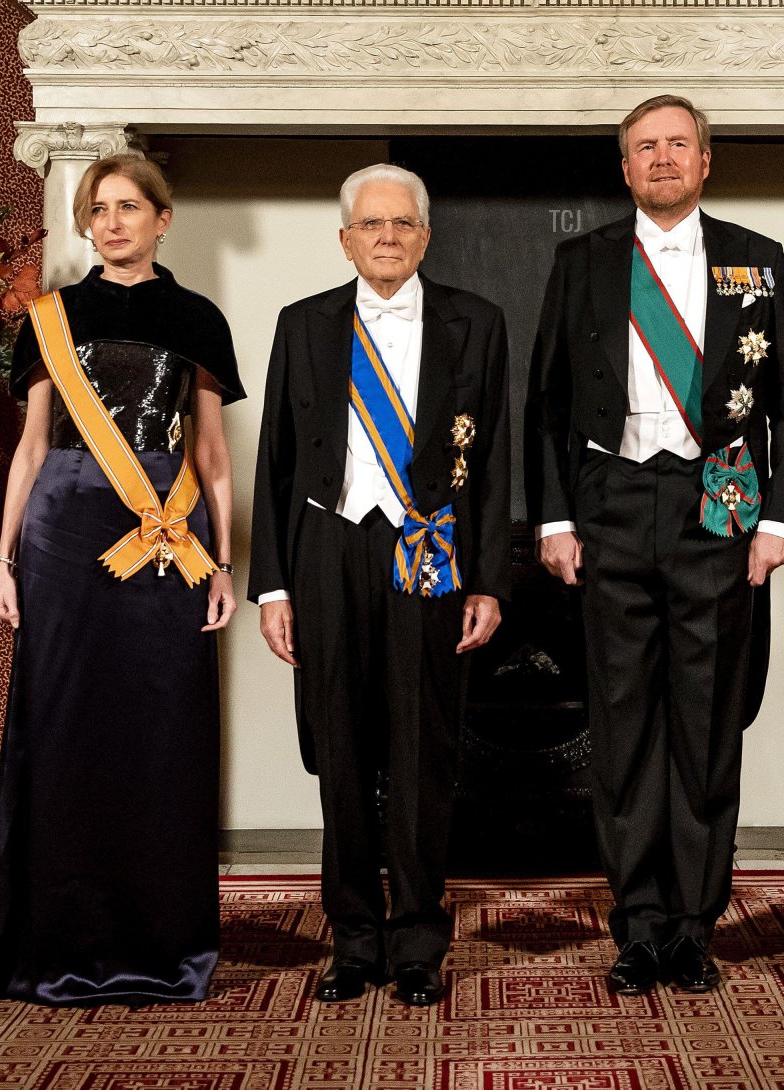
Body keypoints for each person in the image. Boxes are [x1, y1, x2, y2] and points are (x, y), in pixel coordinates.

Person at [524, 95, 784, 996]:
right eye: (644, 147)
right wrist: (555, 520)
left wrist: (778, 521)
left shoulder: (754, 260)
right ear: (624, 168)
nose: (661, 159)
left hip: (716, 510)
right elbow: (547, 403)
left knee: (704, 722)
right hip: (610, 503)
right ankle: (639, 923)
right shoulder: (583, 261)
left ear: (705, 160)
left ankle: (694, 925)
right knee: (623, 724)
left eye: (677, 145)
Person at [0, 152, 244, 1006]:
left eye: (131, 206)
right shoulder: (49, 317)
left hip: (165, 537)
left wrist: (227, 565)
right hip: (64, 537)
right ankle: (60, 944)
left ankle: (164, 948)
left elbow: (213, 454)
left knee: (162, 732)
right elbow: (30, 448)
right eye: (100, 208)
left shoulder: (198, 317)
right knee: (65, 731)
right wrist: (5, 563)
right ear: (86, 221)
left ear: (164, 219)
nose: (114, 222)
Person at [249, 164, 510, 1008]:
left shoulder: (478, 322)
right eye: (372, 224)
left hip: (430, 551)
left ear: (425, 236)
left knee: (423, 749)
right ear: (346, 239)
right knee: (342, 752)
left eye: (402, 223)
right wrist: (274, 587)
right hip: (328, 548)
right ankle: (354, 938)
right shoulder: (303, 324)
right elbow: (276, 466)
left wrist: (488, 579)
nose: (387, 236)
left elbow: (497, 460)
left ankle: (419, 943)